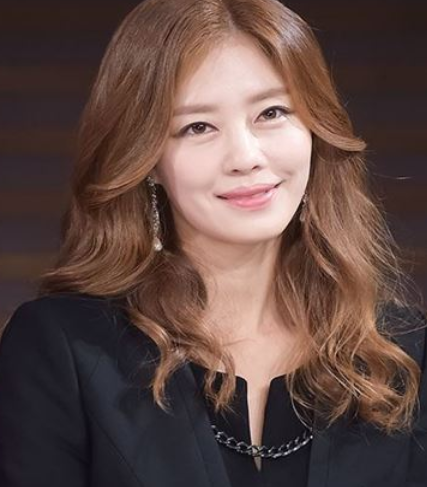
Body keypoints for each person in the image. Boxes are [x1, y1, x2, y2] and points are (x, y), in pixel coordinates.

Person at [0, 0, 426, 485]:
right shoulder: (64, 348)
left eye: (272, 112)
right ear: (147, 160)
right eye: (198, 126)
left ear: (315, 129)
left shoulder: (405, 354)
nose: (245, 157)